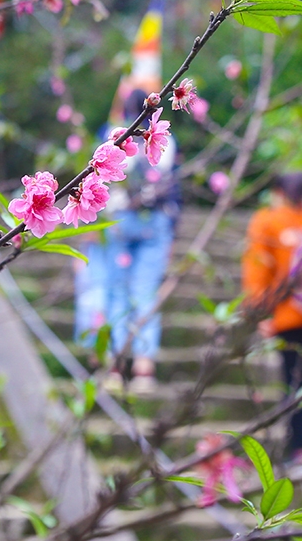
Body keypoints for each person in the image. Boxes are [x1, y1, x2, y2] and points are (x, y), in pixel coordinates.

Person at [242, 172, 302, 466]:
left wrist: (259, 312)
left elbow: (257, 272)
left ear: (278, 191)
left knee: (295, 382)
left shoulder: (267, 220)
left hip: (290, 317)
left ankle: (298, 449)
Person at [103, 89, 180, 394]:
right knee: (146, 294)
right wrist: (173, 230)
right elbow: (174, 187)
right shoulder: (167, 139)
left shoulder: (116, 137)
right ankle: (143, 370)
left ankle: (113, 367)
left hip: (120, 221)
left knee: (117, 293)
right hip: (155, 223)